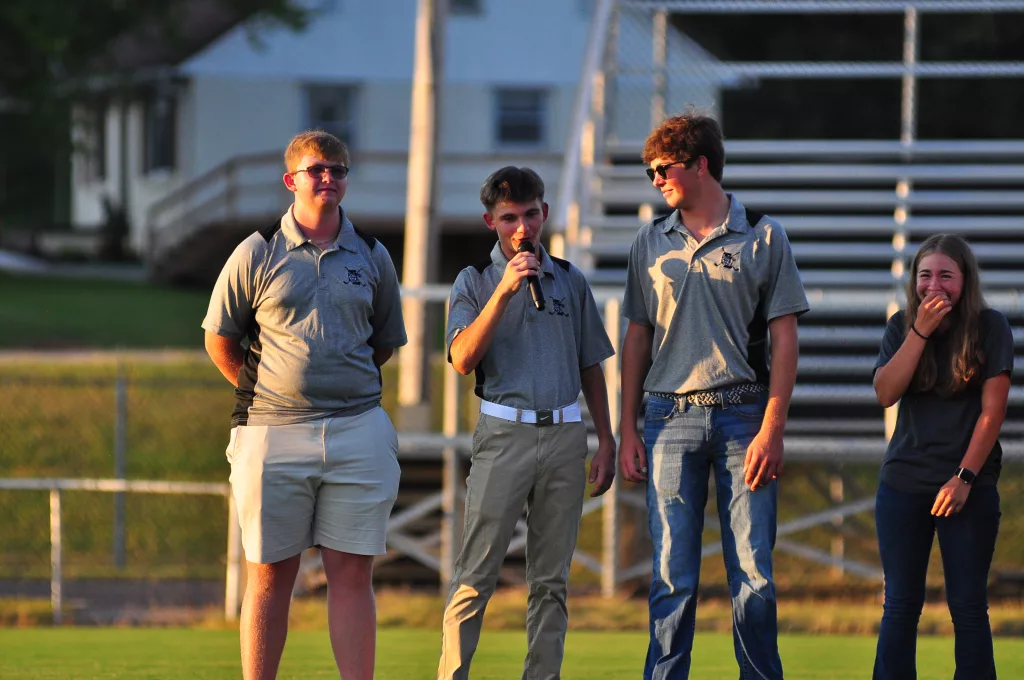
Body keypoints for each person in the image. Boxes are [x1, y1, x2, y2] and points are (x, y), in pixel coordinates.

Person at [202, 130, 407, 680]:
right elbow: (220, 340)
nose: (328, 179)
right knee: (270, 576)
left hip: (357, 429)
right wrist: (271, 392)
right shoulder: (257, 251)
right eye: (317, 169)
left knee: (352, 575)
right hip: (271, 432)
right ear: (291, 180)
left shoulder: (372, 254)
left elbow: (383, 342)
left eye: (338, 170)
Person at [618, 112, 809, 680]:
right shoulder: (648, 239)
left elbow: (785, 339)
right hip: (666, 415)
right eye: (650, 171)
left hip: (744, 416)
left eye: (664, 168)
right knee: (669, 576)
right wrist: (627, 429)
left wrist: (773, 428)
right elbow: (636, 337)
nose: (656, 179)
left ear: (701, 164)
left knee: (753, 573)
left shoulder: (765, 235)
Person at [437, 166, 617, 680]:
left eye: (531, 214)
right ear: (490, 222)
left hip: (565, 435)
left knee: (551, 581)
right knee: (475, 574)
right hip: (503, 433)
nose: (523, 227)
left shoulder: (570, 279)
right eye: (509, 218)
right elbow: (462, 358)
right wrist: (504, 291)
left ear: (545, 213)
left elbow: (590, 365)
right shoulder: (473, 280)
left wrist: (606, 439)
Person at [872, 234, 1012, 680]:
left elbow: (992, 413)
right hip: (903, 484)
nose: (934, 286)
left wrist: (964, 477)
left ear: (965, 280)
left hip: (967, 486)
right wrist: (919, 332)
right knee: (900, 604)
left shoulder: (991, 326)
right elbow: (885, 392)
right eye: (925, 275)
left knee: (968, 606)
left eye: (946, 276)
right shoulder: (901, 326)